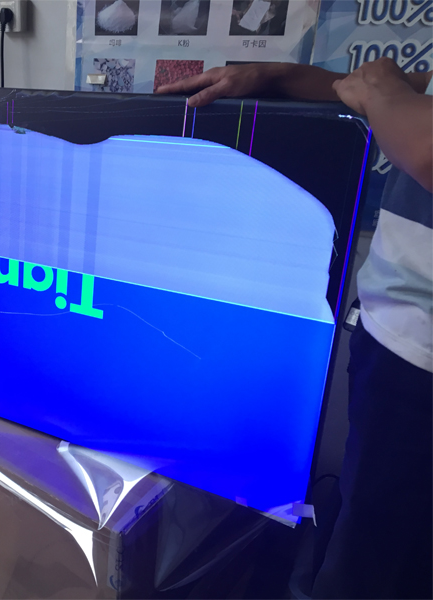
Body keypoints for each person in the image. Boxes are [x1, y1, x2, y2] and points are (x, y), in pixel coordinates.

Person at [157, 60, 432, 599]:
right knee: (359, 524)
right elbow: (395, 94)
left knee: (372, 561)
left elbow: (424, 146)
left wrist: (385, 90)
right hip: (392, 335)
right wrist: (278, 77)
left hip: (418, 363)